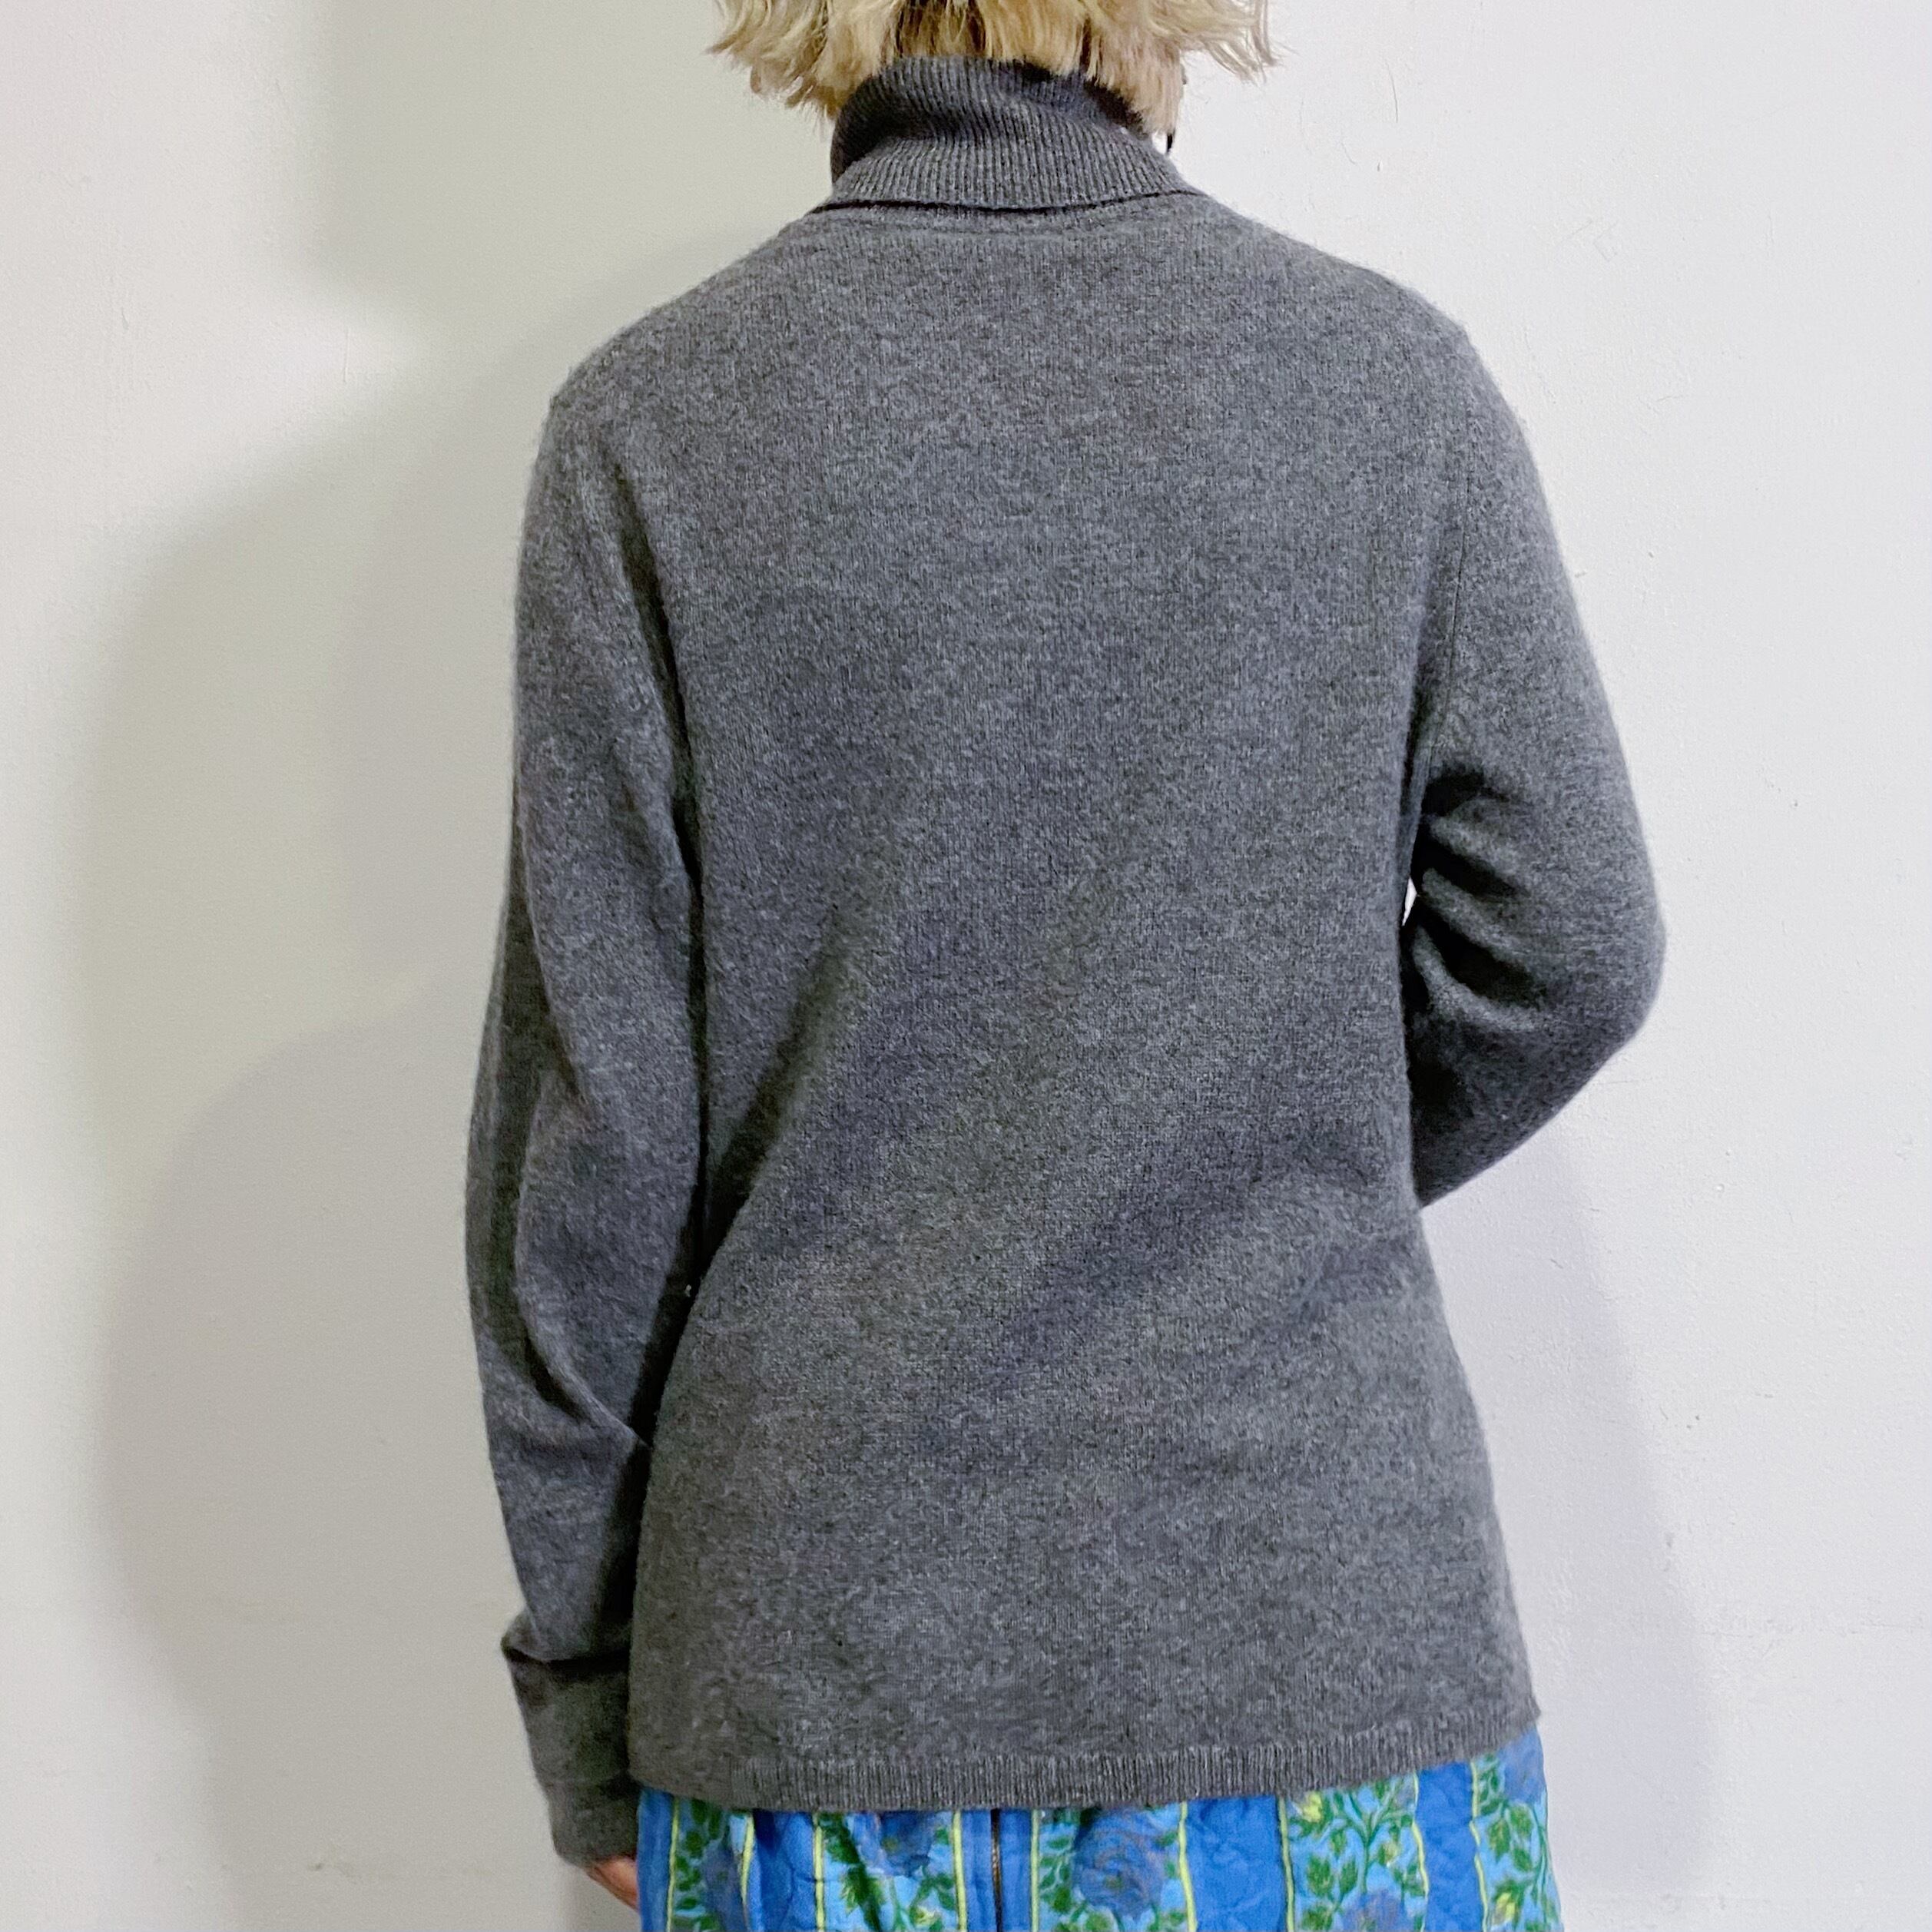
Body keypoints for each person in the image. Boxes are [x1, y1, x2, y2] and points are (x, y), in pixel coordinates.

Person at [462, 4, 1666, 1927]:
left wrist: (587, 1705)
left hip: (826, 1694)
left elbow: (588, 1149)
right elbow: (1569, 947)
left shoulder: (653, 427)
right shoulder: (1384, 387)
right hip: (1315, 1655)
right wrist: (1263, 1155)